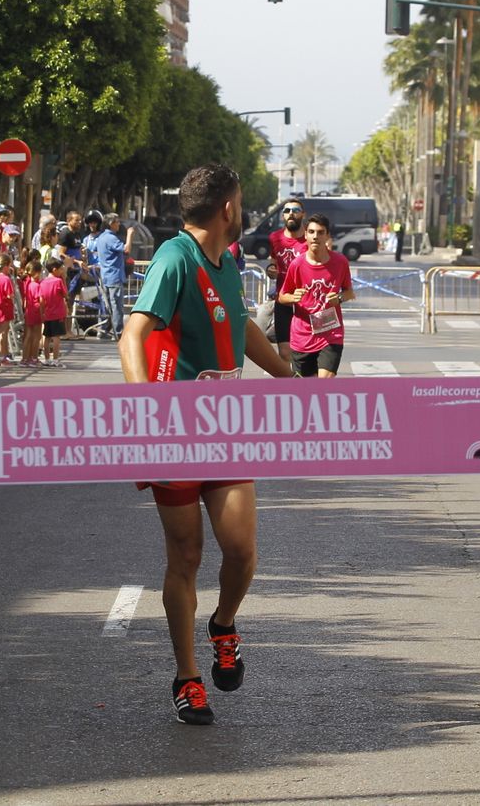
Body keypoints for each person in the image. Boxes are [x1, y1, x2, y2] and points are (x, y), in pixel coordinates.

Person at [118, 164, 294, 726]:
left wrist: (289, 378)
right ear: (228, 208)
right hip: (173, 434)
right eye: (240, 201)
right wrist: (145, 408)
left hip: (225, 430)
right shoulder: (175, 258)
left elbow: (243, 327)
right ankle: (187, 677)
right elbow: (133, 335)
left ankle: (223, 624)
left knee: (240, 550)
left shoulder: (228, 262)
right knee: (186, 557)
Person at [277, 214, 354, 377]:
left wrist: (339, 298)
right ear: (305, 235)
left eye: (320, 232)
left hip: (331, 333)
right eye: (311, 232)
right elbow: (282, 296)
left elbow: (349, 292)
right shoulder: (297, 264)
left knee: (323, 384)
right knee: (305, 389)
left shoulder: (340, 262)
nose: (315, 236)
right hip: (302, 336)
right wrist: (293, 297)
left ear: (327, 236)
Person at [266, 200, 309, 367]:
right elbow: (273, 261)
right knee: (284, 352)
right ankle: (289, 382)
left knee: (306, 352)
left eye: (295, 210)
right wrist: (270, 269)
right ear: (283, 215)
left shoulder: (311, 238)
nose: (291, 213)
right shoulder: (275, 237)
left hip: (306, 303)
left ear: (303, 214)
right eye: (287, 210)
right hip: (283, 301)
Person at [87, 213, 129, 340]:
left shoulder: (101, 237)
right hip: (114, 276)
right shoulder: (111, 238)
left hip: (105, 275)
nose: (119, 224)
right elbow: (126, 249)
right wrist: (130, 235)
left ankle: (104, 330)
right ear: (111, 224)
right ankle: (118, 332)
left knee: (107, 305)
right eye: (117, 222)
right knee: (116, 306)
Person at [39, 257, 68, 366]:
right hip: (58, 313)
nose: (62, 271)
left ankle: (47, 358)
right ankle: (55, 359)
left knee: (47, 336)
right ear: (55, 269)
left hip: (47, 313)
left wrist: (42, 312)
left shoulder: (43, 282)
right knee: (56, 337)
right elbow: (65, 294)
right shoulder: (58, 281)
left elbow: (41, 299)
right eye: (61, 269)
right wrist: (64, 279)